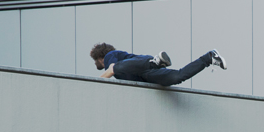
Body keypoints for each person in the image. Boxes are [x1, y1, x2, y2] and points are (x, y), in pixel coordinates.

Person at [90, 42, 226, 86]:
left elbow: (112, 69)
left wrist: (95, 83)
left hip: (143, 66)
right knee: (177, 77)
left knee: (117, 68)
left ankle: (154, 62)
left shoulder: (109, 56)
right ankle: (209, 58)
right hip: (147, 76)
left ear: (99, 57)